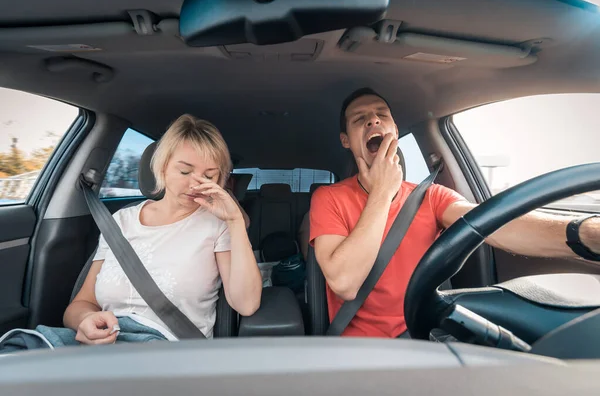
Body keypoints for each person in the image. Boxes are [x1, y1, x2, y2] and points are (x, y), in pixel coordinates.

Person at [309, 87, 600, 338]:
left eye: (382, 114)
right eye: (360, 119)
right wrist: (383, 191)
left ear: (395, 131)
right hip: (358, 350)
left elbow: (493, 224)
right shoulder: (329, 197)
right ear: (346, 140)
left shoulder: (431, 196)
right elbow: (345, 284)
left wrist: (583, 233)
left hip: (426, 337)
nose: (373, 119)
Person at [64, 114, 262, 344]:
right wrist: (86, 320)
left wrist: (235, 221)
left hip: (167, 357)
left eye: (209, 176)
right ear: (163, 166)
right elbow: (80, 305)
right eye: (185, 172)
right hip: (101, 349)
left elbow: (246, 304)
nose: (195, 184)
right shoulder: (120, 221)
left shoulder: (216, 225)